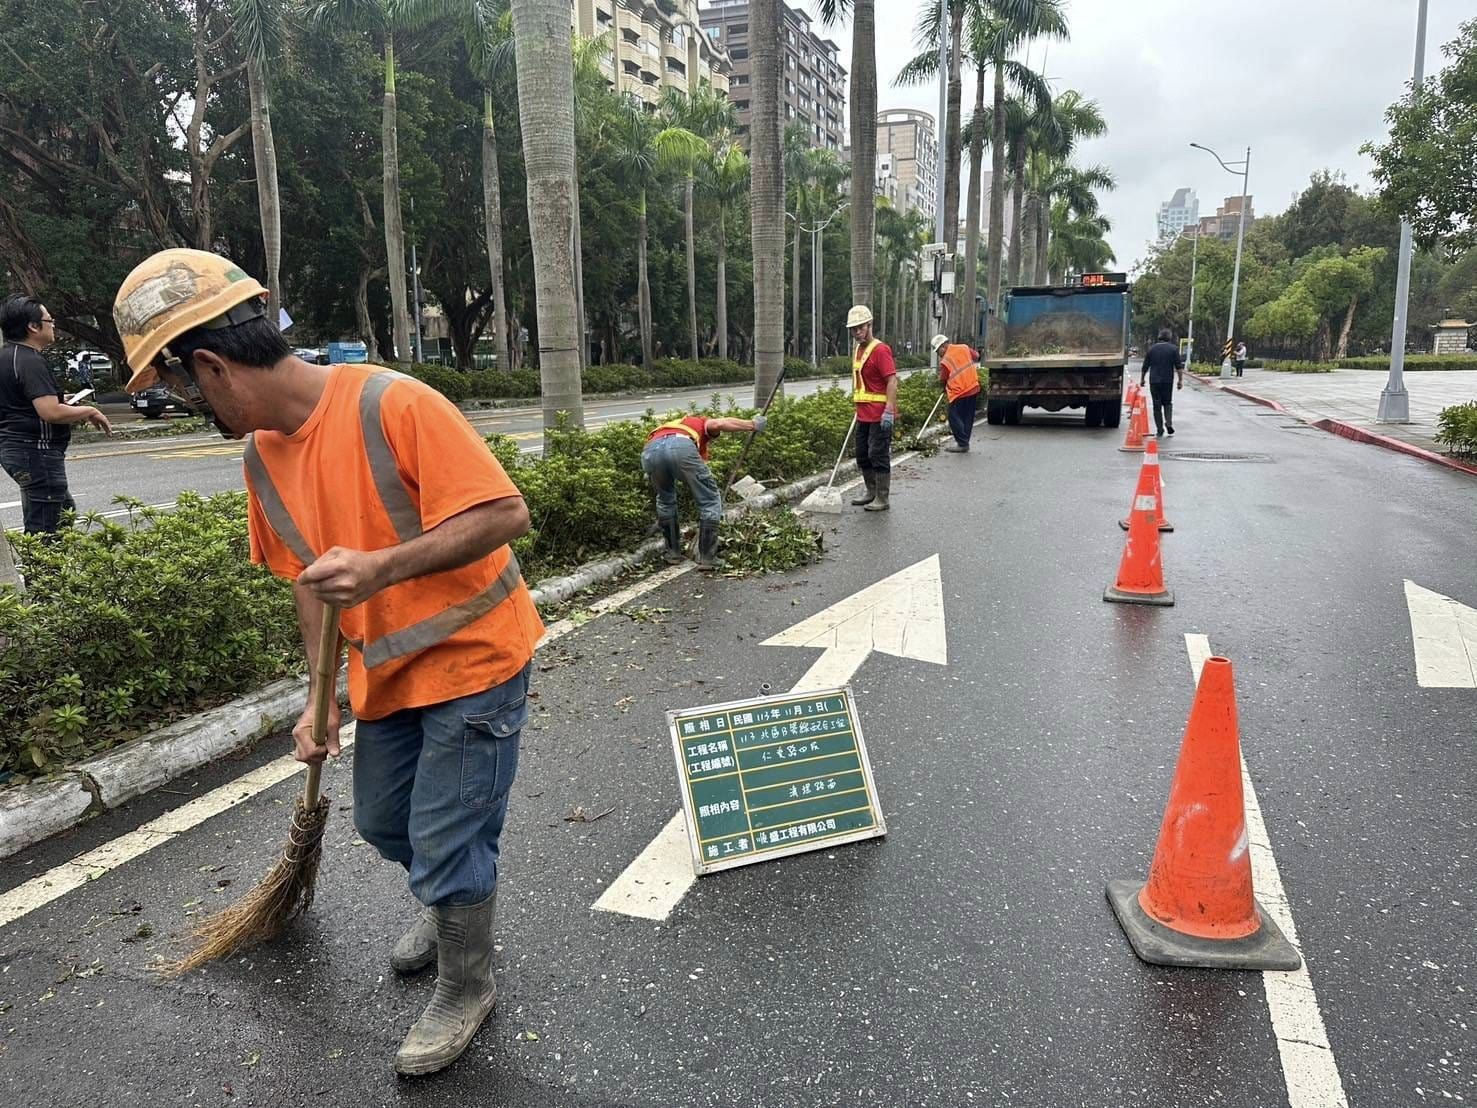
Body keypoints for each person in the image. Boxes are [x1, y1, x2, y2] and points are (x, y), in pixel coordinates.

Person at [113, 249, 544, 1077]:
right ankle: (453, 898)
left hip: (473, 660)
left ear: (210, 364)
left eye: (178, 386)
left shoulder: (392, 402)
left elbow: (503, 512)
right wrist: (318, 699)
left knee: (446, 836)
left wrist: (382, 567)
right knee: (387, 823)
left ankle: (467, 980)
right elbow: (310, 583)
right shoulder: (259, 458)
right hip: (383, 675)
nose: (184, 404)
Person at [0, 295, 111, 534]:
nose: (54, 325)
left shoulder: (7, 356)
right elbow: (50, 412)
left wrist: (64, 402)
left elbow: (19, 402)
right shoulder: (30, 360)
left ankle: (46, 568)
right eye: (49, 320)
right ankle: (42, 571)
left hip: (16, 450)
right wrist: (90, 410)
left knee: (62, 510)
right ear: (33, 326)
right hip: (35, 452)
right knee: (46, 529)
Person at [641, 412, 766, 569]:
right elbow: (718, 424)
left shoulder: (669, 426)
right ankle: (707, 558)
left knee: (665, 500)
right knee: (710, 499)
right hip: (680, 447)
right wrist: (753, 424)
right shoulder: (699, 422)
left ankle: (673, 554)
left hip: (650, 451)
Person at [845, 305, 897, 511]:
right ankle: (870, 490)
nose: (857, 332)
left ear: (869, 325)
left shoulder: (881, 350)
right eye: (853, 329)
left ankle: (882, 498)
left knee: (878, 453)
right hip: (863, 414)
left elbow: (892, 381)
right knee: (862, 454)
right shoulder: (858, 350)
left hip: (879, 414)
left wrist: (889, 410)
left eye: (860, 327)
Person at [931, 333, 981, 453]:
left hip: (959, 392)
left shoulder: (945, 360)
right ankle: (964, 442)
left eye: (938, 351)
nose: (939, 354)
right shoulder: (964, 347)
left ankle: (962, 443)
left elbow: (943, 378)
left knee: (953, 417)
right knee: (967, 417)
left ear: (943, 346)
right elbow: (977, 356)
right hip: (973, 388)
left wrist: (943, 388)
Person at [1139, 327, 1184, 437]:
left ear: (1159, 337)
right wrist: (1180, 380)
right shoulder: (1174, 349)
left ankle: (1159, 429)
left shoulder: (1151, 349)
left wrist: (1142, 379)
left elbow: (1145, 366)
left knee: (1156, 405)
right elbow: (1179, 367)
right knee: (1167, 403)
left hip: (1154, 381)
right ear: (1169, 337)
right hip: (1167, 381)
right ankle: (1168, 423)